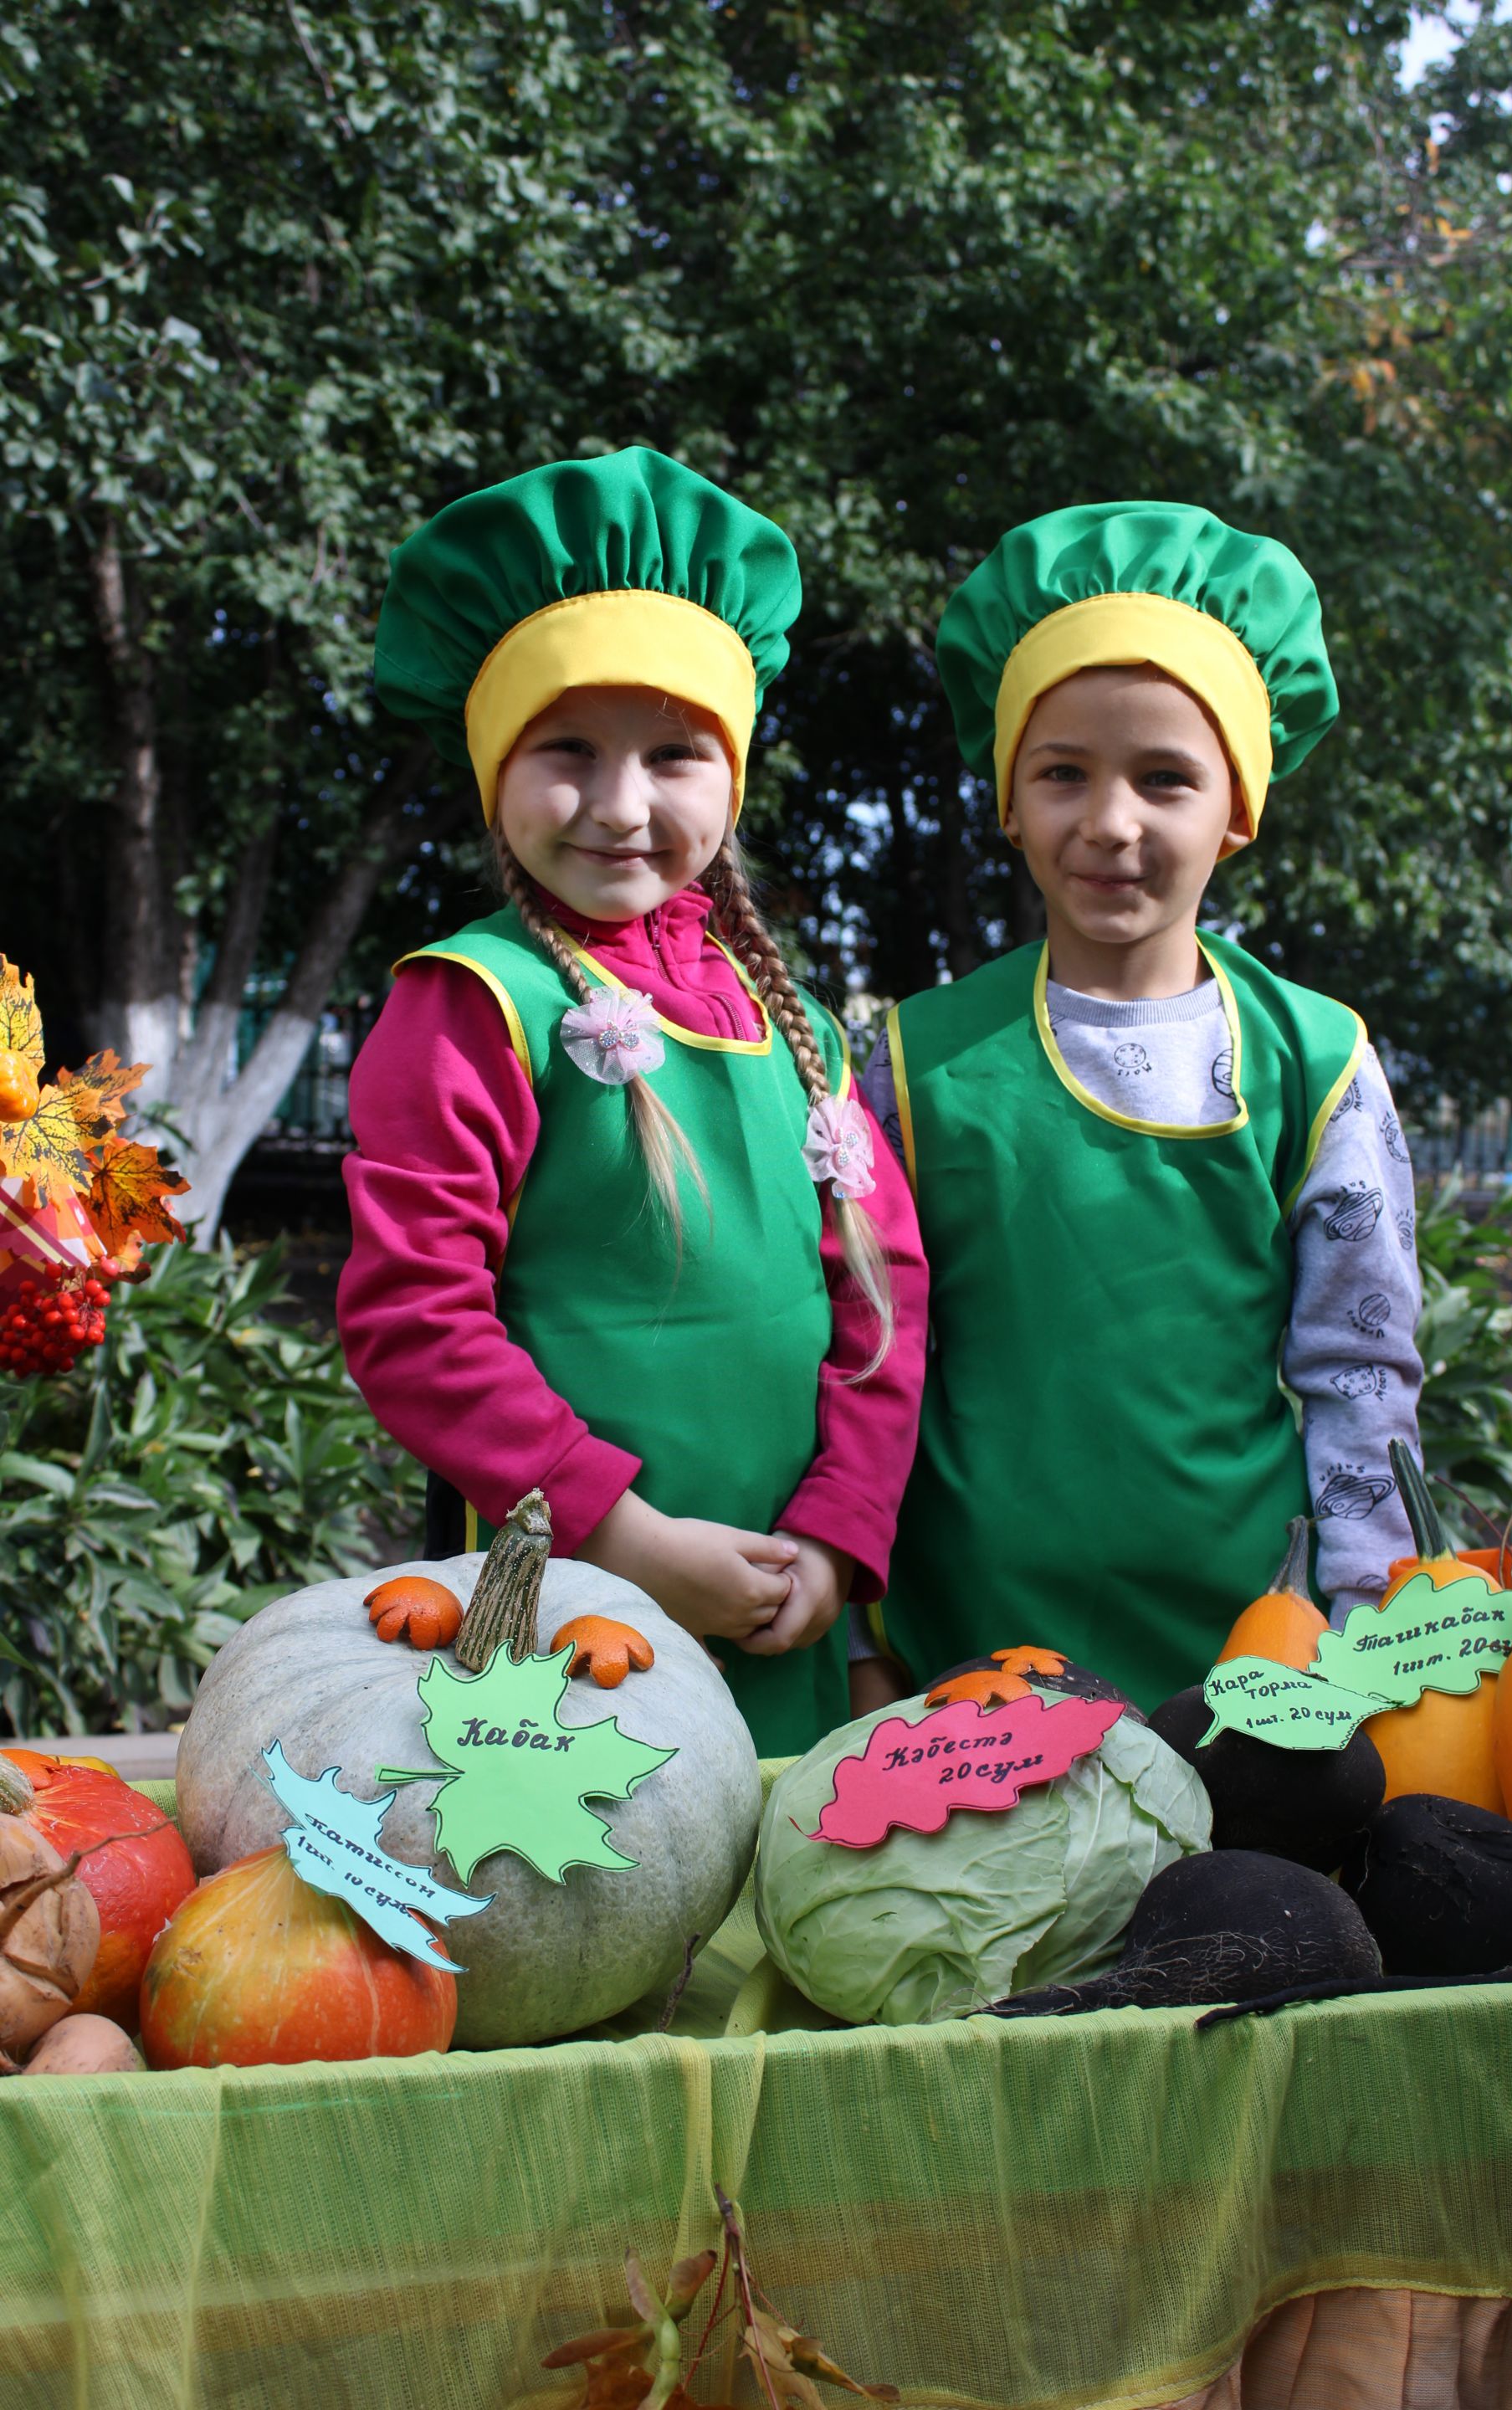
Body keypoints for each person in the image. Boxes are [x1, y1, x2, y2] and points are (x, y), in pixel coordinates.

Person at [338, 448, 927, 1756]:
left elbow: (886, 1308)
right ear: (496, 769)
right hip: (574, 1597)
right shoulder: (470, 1004)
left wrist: (838, 1534)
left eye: (672, 753)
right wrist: (625, 1538)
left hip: (786, 1603)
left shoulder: (802, 1025)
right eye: (568, 750)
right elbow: (414, 1319)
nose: (620, 805)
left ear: (732, 773)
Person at [855, 500, 1422, 1713]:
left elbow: (1359, 1367)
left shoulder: (1315, 1063)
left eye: (1166, 779)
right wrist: (860, 1627)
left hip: (1250, 1653)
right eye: (1064, 774)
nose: (1112, 823)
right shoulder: (915, 1062)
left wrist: (1370, 1623)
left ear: (1239, 808)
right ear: (1009, 799)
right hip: (963, 1651)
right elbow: (862, 1357)